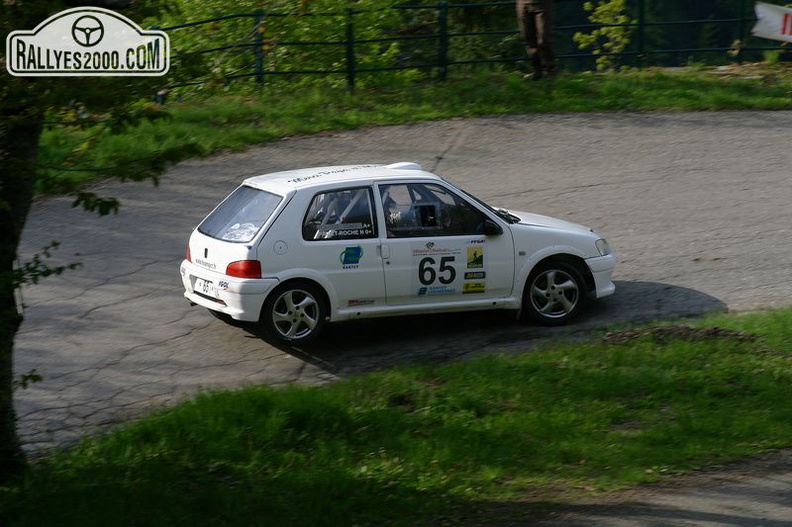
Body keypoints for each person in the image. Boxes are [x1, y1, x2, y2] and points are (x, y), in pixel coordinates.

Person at [516, 0, 556, 80]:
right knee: (527, 36)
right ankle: (537, 70)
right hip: (523, 3)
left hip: (543, 3)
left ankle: (549, 71)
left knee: (544, 37)